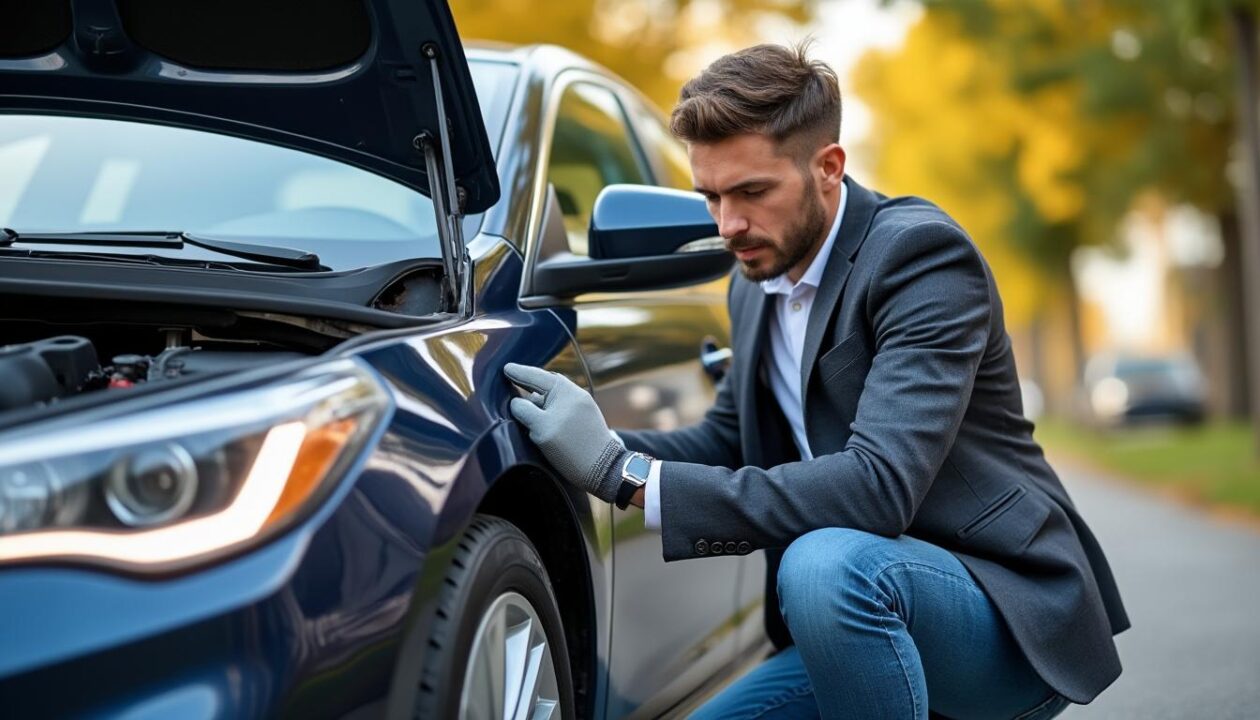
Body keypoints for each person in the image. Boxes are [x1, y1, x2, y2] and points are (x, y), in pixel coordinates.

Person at [504, 43, 1127, 719]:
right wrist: (588, 446)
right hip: (863, 622)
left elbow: (877, 488)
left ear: (828, 167)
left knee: (823, 564)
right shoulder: (756, 281)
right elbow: (731, 440)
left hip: (1000, 615)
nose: (727, 224)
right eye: (710, 196)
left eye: (752, 192)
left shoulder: (920, 259)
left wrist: (623, 476)